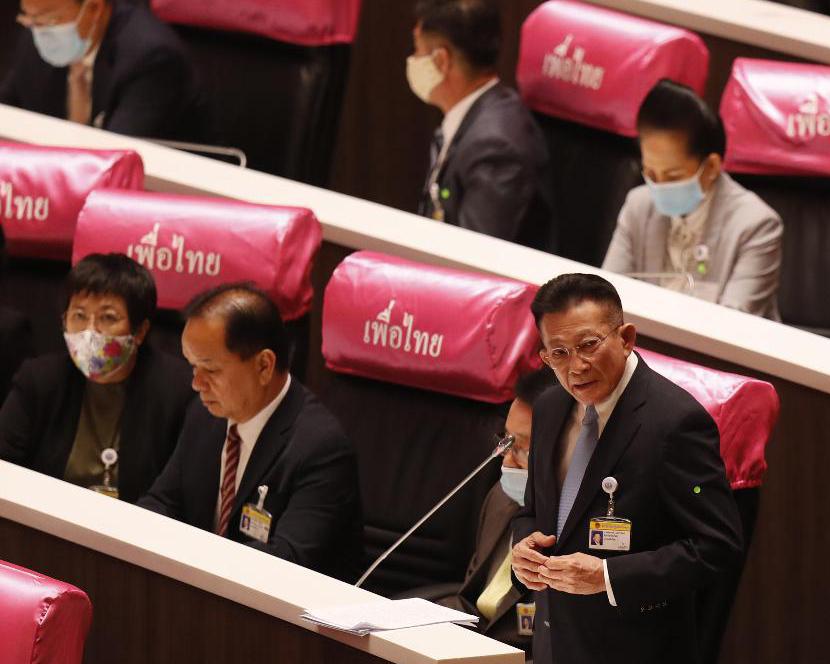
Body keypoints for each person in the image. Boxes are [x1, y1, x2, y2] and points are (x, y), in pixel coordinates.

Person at [510, 273, 743, 664]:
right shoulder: (550, 408)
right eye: (559, 353)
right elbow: (533, 509)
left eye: (588, 345)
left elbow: (717, 546)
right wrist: (524, 548)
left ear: (626, 338)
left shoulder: (675, 423)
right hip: (554, 644)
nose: (576, 367)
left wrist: (606, 577)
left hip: (634, 649)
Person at [139, 283, 362, 580]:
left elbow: (288, 561)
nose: (196, 384)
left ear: (264, 366)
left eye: (211, 369)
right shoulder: (204, 414)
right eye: (192, 367)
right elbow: (162, 502)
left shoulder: (321, 448)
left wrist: (191, 557)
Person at [0, 253, 193, 502]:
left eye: (108, 318)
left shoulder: (177, 391)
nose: (90, 331)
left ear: (140, 331)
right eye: (79, 316)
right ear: (63, 321)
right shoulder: (39, 380)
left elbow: (175, 498)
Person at [602, 79, 783, 319]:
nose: (659, 187)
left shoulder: (756, 226)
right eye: (651, 173)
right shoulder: (638, 206)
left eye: (673, 176)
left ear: (711, 167)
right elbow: (604, 303)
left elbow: (733, 326)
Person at [409, 0, 553, 250]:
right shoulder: (471, 115)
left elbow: (473, 257)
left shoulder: (497, 146)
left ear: (442, 60)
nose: (412, 60)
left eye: (418, 50)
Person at [437, 367, 557, 656]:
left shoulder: (578, 535)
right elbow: (470, 601)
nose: (507, 461)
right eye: (506, 441)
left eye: (522, 449)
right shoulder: (500, 499)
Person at [0, 0, 208, 141]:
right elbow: (7, 112)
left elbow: (116, 156)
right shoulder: (36, 36)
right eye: (29, 18)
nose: (38, 29)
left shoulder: (152, 57)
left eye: (48, 19)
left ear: (94, 8)